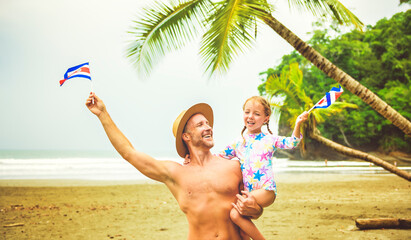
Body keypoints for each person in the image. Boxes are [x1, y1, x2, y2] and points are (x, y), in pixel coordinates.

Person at [85, 92, 262, 240]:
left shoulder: (233, 167)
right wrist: (103, 114)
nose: (208, 127)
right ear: (186, 136)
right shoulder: (175, 173)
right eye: (200, 125)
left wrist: (256, 209)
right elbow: (129, 153)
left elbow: (254, 208)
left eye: (208, 123)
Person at [219, 96, 308, 240]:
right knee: (242, 231)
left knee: (235, 214)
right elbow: (219, 158)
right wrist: (192, 156)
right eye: (247, 112)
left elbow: (293, 142)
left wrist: (298, 123)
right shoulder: (237, 143)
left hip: (266, 190)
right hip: (249, 191)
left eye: (256, 113)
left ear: (266, 119)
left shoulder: (270, 139)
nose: (250, 116)